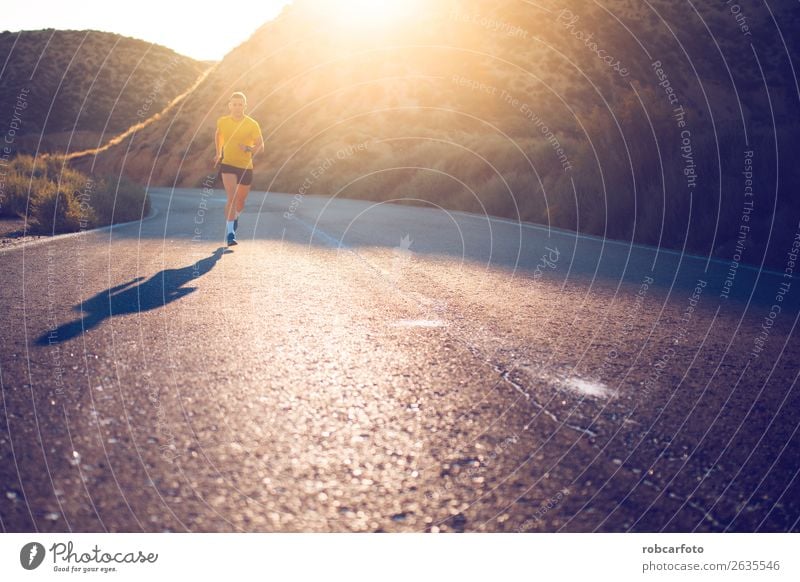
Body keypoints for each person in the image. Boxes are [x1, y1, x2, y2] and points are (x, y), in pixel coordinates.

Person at [214, 92, 264, 246]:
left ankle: (235, 217)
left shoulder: (252, 124)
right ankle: (230, 233)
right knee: (232, 197)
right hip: (228, 164)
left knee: (241, 201)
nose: (237, 107)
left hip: (245, 167)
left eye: (240, 104)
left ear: (245, 106)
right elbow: (218, 135)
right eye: (234, 104)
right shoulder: (222, 121)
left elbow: (260, 146)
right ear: (230, 105)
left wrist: (248, 148)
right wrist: (218, 153)